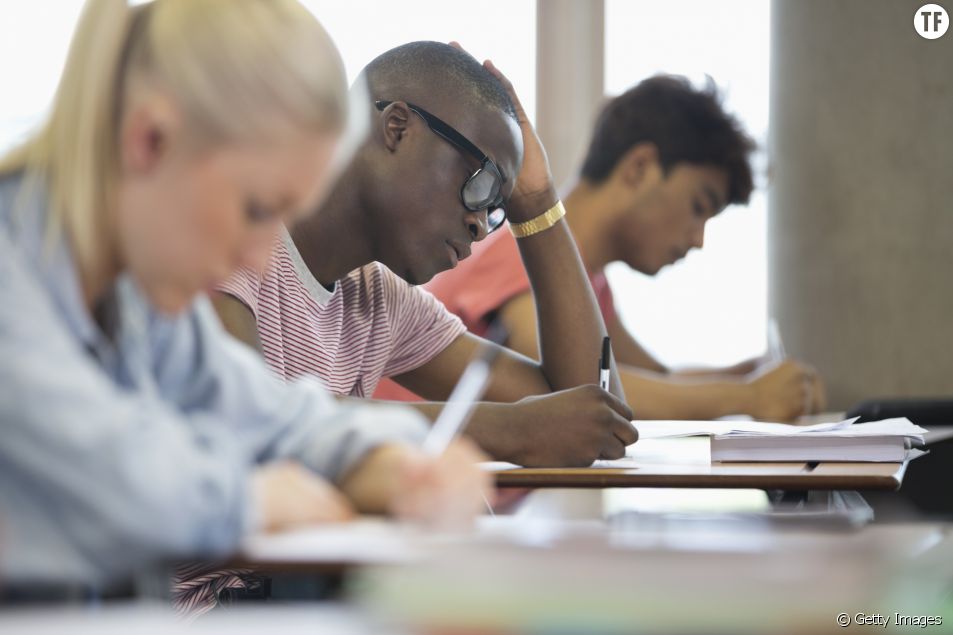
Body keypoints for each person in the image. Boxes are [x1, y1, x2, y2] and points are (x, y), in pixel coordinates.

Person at [0, 0, 489, 598]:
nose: (260, 257)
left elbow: (271, 415)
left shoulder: (131, 302)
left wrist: (401, 460)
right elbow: (104, 471)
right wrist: (251, 499)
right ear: (150, 141)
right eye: (257, 209)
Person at [213, 41, 638, 471]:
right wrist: (506, 430)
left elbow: (589, 418)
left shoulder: (378, 300)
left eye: (496, 209)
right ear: (397, 128)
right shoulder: (231, 235)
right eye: (482, 183)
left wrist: (536, 203)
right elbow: (252, 413)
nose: (479, 223)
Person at [415, 75, 827, 422]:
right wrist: (748, 399)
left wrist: (742, 378)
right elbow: (582, 385)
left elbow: (653, 376)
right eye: (698, 207)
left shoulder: (592, 288)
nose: (698, 239)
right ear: (640, 168)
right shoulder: (522, 254)